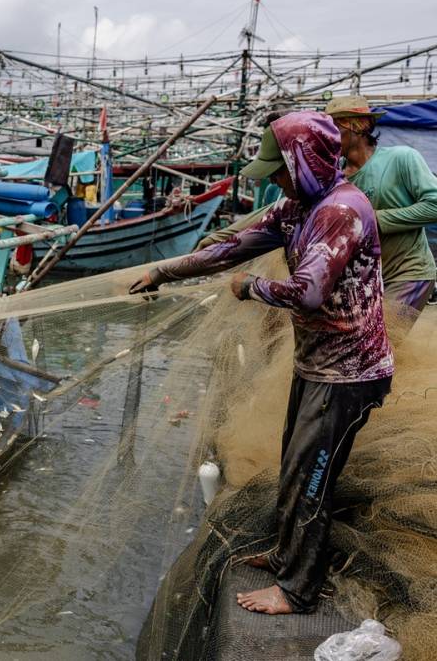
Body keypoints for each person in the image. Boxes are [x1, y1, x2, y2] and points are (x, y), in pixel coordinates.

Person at [130, 112, 394, 615]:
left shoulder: (340, 211)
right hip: (316, 364)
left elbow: (310, 292)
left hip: (350, 372)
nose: (273, 180)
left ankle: (298, 589)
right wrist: (164, 271)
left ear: (309, 162)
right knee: (293, 465)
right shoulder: (296, 207)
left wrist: (252, 287)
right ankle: (285, 554)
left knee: (312, 474)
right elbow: (233, 247)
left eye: (280, 170)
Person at [196, 96, 437, 319]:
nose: (328, 135)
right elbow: (275, 211)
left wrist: (374, 220)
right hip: (366, 278)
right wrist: (220, 238)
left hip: (408, 272)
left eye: (335, 127)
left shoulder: (401, 158)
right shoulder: (333, 177)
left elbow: (433, 205)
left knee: (386, 344)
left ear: (360, 125)